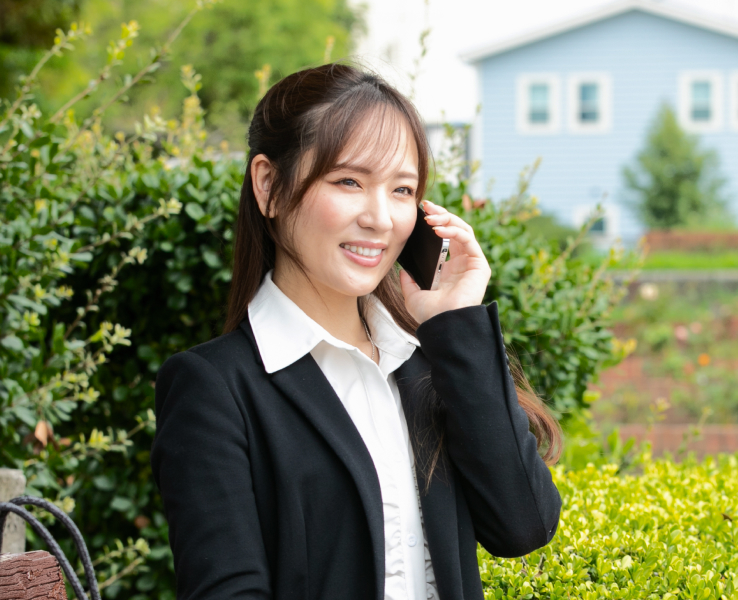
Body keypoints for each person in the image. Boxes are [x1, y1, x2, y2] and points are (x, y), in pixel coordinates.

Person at [150, 62, 562, 600]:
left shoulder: (427, 363)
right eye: (349, 181)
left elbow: (523, 526)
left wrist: (456, 325)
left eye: (401, 190)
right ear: (268, 185)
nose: (380, 218)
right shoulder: (214, 388)